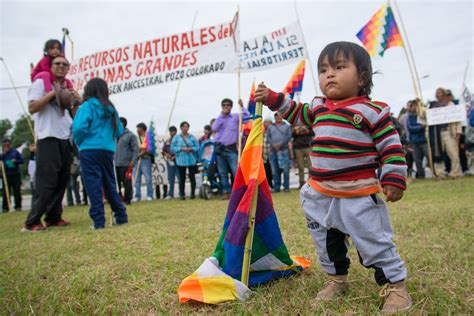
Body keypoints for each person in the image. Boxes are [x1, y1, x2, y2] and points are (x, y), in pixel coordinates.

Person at [255, 41, 411, 313]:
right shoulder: (317, 107)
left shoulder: (372, 112)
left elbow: (391, 146)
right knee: (326, 243)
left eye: (339, 67)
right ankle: (336, 279)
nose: (330, 74)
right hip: (319, 194)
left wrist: (394, 177)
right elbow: (294, 111)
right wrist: (271, 98)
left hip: (358, 196)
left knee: (374, 241)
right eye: (324, 69)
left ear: (362, 77)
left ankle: (395, 286)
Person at [23, 55, 80, 232]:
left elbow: (75, 112)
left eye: (65, 64)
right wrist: (52, 94)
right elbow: (32, 107)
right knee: (46, 181)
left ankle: (53, 217)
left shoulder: (67, 86)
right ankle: (32, 221)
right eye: (57, 64)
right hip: (47, 136)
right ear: (51, 66)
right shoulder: (41, 83)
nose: (61, 67)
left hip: (64, 136)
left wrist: (76, 99)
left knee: (62, 179)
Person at [72, 78, 128, 229]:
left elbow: (78, 128)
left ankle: (98, 221)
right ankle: (121, 215)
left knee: (93, 185)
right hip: (107, 151)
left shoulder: (86, 106)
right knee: (109, 183)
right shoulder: (110, 108)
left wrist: (80, 142)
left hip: (89, 150)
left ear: (88, 90)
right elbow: (120, 131)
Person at [212, 98, 250, 199]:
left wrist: (242, 107)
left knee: (236, 171)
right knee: (223, 172)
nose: (226, 107)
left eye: (228, 105)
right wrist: (221, 115)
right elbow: (214, 128)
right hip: (220, 148)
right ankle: (226, 192)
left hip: (232, 149)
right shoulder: (219, 118)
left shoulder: (236, 117)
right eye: (224, 105)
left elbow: (247, 118)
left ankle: (241, 191)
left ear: (231, 106)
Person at [428, 88, 462, 179]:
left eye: (439, 92)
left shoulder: (451, 105)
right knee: (437, 153)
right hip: (436, 134)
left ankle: (455, 173)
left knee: (453, 153)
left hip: (448, 131)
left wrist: (458, 131)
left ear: (443, 94)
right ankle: (440, 173)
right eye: (436, 92)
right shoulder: (433, 106)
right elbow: (425, 116)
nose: (437, 94)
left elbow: (457, 119)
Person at [171, 121, 199, 200]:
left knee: (192, 177)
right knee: (181, 178)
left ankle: (192, 194)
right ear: (181, 128)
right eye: (184, 127)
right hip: (181, 160)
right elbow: (172, 148)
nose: (185, 128)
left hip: (191, 159)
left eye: (187, 127)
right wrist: (181, 149)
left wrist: (191, 148)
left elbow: (197, 147)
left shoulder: (192, 137)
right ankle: (182, 194)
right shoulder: (176, 137)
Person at [115, 117, 139, 205]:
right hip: (115, 163)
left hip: (126, 163)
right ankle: (118, 199)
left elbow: (135, 150)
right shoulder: (114, 135)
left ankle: (128, 199)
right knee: (116, 184)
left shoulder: (131, 135)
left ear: (124, 124)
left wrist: (133, 161)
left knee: (127, 183)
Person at [267, 112, 292, 192]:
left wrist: (281, 144)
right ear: (274, 117)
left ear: (282, 116)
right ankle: (277, 188)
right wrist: (274, 145)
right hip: (273, 151)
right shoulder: (270, 127)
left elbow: (288, 136)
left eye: (280, 115)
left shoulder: (287, 126)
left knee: (285, 170)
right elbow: (268, 138)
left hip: (284, 150)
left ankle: (286, 187)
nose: (278, 117)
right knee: (274, 170)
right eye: (276, 116)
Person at [407, 100, 429, 178]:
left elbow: (426, 125)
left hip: (424, 140)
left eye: (414, 106)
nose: (412, 108)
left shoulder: (423, 115)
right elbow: (410, 128)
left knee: (428, 157)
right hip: (414, 141)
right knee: (417, 160)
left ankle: (435, 173)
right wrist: (420, 127)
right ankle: (421, 175)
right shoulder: (409, 117)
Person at [1, 139, 24, 212]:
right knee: (6, 192)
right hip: (5, 175)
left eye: (8, 145)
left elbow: (22, 161)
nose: (6, 146)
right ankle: (5, 207)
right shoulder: (2, 153)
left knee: (17, 191)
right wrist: (4, 154)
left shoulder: (15, 152)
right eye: (5, 145)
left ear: (10, 145)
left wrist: (15, 161)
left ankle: (18, 207)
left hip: (15, 174)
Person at [134, 122, 154, 201]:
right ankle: (137, 196)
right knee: (137, 179)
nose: (137, 131)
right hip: (137, 160)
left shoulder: (148, 138)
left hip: (146, 159)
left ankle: (149, 195)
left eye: (138, 129)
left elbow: (150, 149)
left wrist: (143, 152)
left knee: (148, 178)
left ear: (142, 129)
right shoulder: (135, 138)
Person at [162, 126, 179, 199]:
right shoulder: (167, 140)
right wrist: (166, 155)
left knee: (180, 177)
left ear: (176, 131)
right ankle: (170, 194)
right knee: (171, 178)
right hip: (169, 162)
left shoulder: (179, 140)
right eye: (170, 131)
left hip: (178, 161)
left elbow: (180, 150)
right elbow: (163, 150)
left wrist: (174, 157)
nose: (171, 133)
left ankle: (181, 192)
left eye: (173, 131)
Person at [263, 116, 273, 189]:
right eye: (266, 122)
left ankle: (273, 184)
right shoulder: (261, 133)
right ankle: (268, 184)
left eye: (269, 122)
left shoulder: (273, 132)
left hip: (272, 153)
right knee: (266, 171)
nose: (267, 124)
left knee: (273, 170)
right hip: (263, 155)